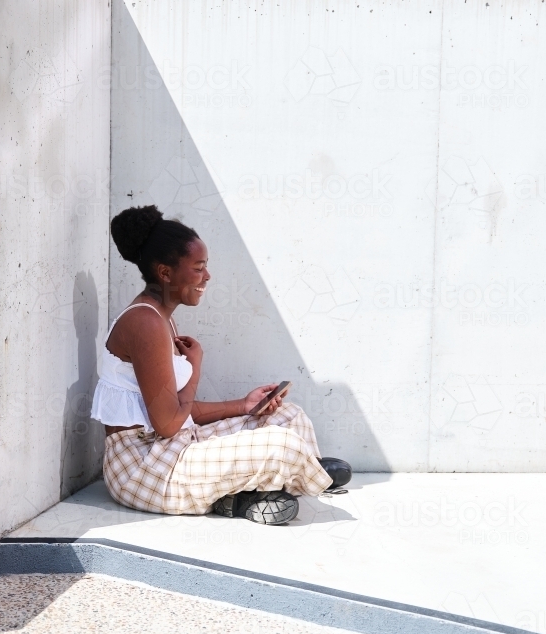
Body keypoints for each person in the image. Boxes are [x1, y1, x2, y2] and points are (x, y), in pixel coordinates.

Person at [91, 205, 352, 525]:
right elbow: (168, 424)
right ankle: (284, 479)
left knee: (287, 416)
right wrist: (195, 366)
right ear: (165, 272)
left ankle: (243, 497)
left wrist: (244, 405)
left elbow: (177, 411)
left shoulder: (160, 318)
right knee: (279, 444)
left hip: (175, 445)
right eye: (199, 267)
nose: (207, 276)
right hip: (145, 470)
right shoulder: (146, 323)